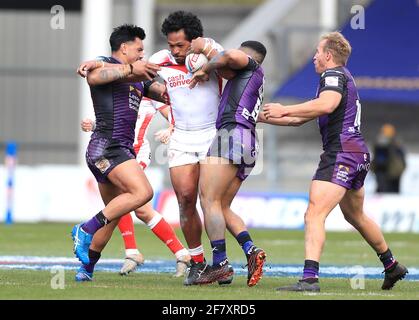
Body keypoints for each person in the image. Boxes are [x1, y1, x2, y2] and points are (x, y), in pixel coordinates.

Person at [262, 32, 408, 291]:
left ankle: (309, 279)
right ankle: (392, 265)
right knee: (356, 215)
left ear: (328, 55)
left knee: (314, 214)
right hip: (356, 154)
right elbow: (299, 119)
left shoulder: (333, 75)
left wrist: (285, 107)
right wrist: (257, 117)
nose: (314, 57)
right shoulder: (339, 78)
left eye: (317, 52)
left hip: (342, 153)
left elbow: (326, 105)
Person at [71, 24, 170, 280]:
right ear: (124, 48)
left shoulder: (138, 79)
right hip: (108, 148)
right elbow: (93, 77)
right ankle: (84, 229)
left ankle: (86, 269)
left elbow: (164, 94)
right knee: (143, 193)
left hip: (115, 150)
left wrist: (183, 84)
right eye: (138, 49)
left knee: (113, 215)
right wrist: (129, 69)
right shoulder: (104, 63)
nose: (141, 54)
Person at [79, 97, 191, 280]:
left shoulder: (146, 88)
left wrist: (170, 129)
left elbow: (174, 114)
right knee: (130, 207)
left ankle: (137, 252)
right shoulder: (117, 87)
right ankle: (176, 253)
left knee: (130, 202)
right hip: (112, 153)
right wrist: (92, 124)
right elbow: (111, 122)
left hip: (135, 154)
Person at [185, 40, 268, 286]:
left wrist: (206, 66)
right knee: (221, 206)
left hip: (231, 134)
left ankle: (219, 265)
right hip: (248, 141)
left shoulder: (249, 65)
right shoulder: (253, 79)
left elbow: (230, 56)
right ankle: (251, 250)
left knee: (208, 199)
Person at [371, 123, 406, 193]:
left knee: (391, 190)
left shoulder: (395, 142)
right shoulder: (381, 142)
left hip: (393, 171)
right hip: (385, 171)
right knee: (385, 190)